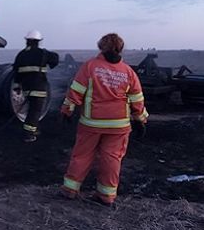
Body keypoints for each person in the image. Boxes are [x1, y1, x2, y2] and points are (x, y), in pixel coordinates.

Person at [59, 33, 148, 206]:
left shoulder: (90, 67)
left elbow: (75, 91)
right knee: (112, 158)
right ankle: (106, 196)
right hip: (119, 126)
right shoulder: (128, 72)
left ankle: (70, 190)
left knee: (82, 156)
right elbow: (137, 99)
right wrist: (140, 120)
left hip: (91, 123)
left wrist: (66, 111)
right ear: (120, 48)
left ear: (101, 47)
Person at [12, 29, 59, 142]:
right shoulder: (43, 53)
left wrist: (17, 87)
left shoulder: (21, 54)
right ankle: (28, 134)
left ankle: (33, 129)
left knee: (30, 109)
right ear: (39, 41)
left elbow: (15, 72)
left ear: (27, 41)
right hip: (39, 87)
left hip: (26, 87)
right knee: (35, 111)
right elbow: (55, 58)